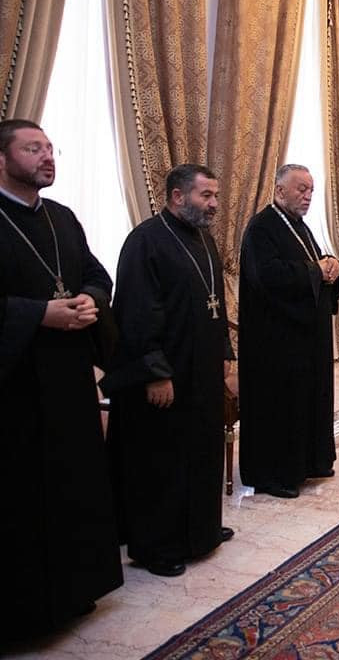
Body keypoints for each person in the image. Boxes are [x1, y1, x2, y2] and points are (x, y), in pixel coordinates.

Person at [0, 119, 122, 638]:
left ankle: (74, 592)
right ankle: (25, 616)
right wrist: (38, 315)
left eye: (50, 148)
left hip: (69, 381)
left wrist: (90, 300)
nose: (47, 156)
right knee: (22, 497)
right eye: (33, 149)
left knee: (73, 486)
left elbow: (96, 274)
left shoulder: (62, 218)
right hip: (15, 391)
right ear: (2, 159)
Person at [102, 164, 235, 578]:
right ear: (178, 196)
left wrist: (224, 352)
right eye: (205, 196)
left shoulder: (203, 238)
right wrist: (155, 373)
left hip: (202, 371)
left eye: (215, 196)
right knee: (161, 461)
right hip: (167, 375)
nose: (214, 204)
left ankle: (201, 529)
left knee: (201, 451)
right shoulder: (145, 241)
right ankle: (154, 546)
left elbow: (216, 303)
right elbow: (136, 314)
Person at [238, 164, 339, 499]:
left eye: (311, 190)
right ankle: (274, 474)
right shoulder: (262, 227)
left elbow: (312, 262)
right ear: (280, 190)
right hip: (274, 339)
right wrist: (316, 271)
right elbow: (268, 276)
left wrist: (332, 266)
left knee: (307, 399)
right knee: (280, 406)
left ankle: (309, 461)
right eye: (302, 189)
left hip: (304, 336)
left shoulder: (298, 225)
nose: (308, 196)